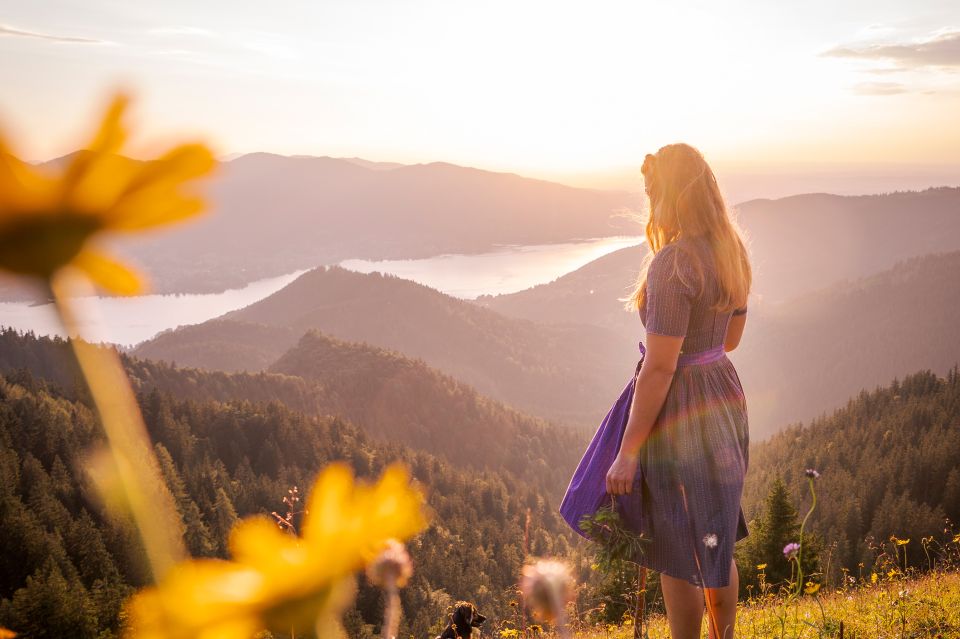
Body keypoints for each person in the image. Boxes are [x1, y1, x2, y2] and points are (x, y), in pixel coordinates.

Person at [559, 143, 751, 639]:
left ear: (669, 195)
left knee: (674, 543)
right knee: (716, 538)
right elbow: (730, 339)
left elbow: (662, 368)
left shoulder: (672, 264)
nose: (647, 202)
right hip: (723, 398)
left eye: (650, 191)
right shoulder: (732, 251)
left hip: (679, 407)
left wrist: (627, 454)